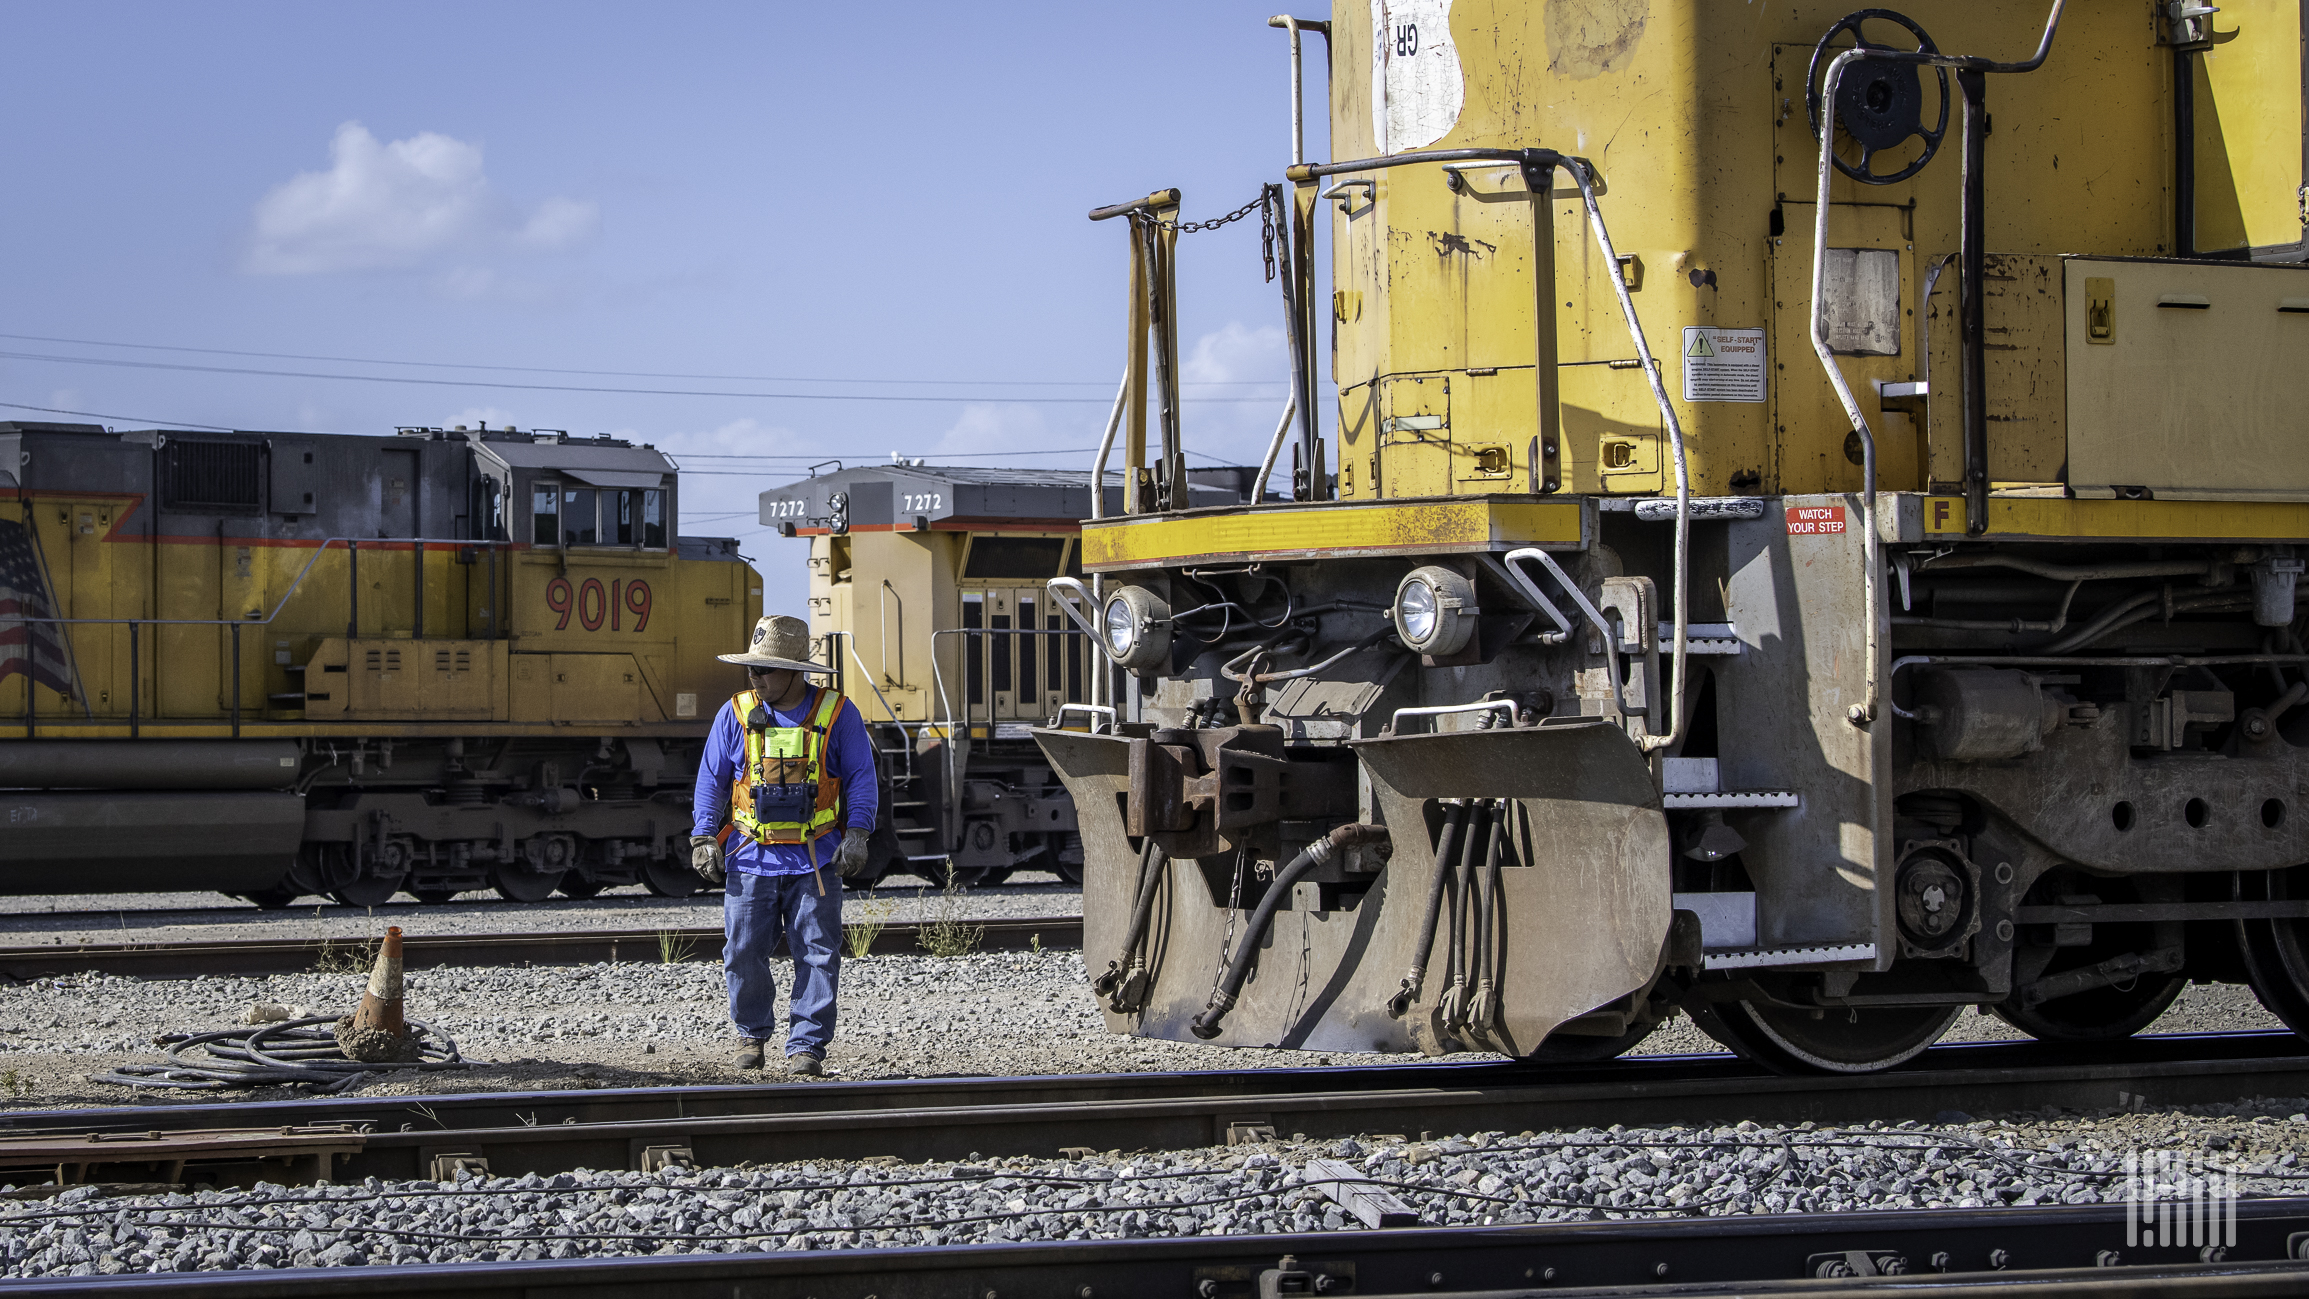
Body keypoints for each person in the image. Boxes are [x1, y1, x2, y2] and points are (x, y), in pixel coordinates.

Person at [691, 614, 878, 1077]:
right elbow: (711, 779)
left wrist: (858, 833)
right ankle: (751, 1035)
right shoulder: (734, 712)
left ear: (795, 670)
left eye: (764, 670)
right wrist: (701, 836)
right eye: (752, 670)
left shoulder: (839, 713)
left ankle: (806, 1047)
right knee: (742, 951)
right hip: (749, 859)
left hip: (816, 861)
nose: (754, 678)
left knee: (817, 953)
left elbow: (861, 776)